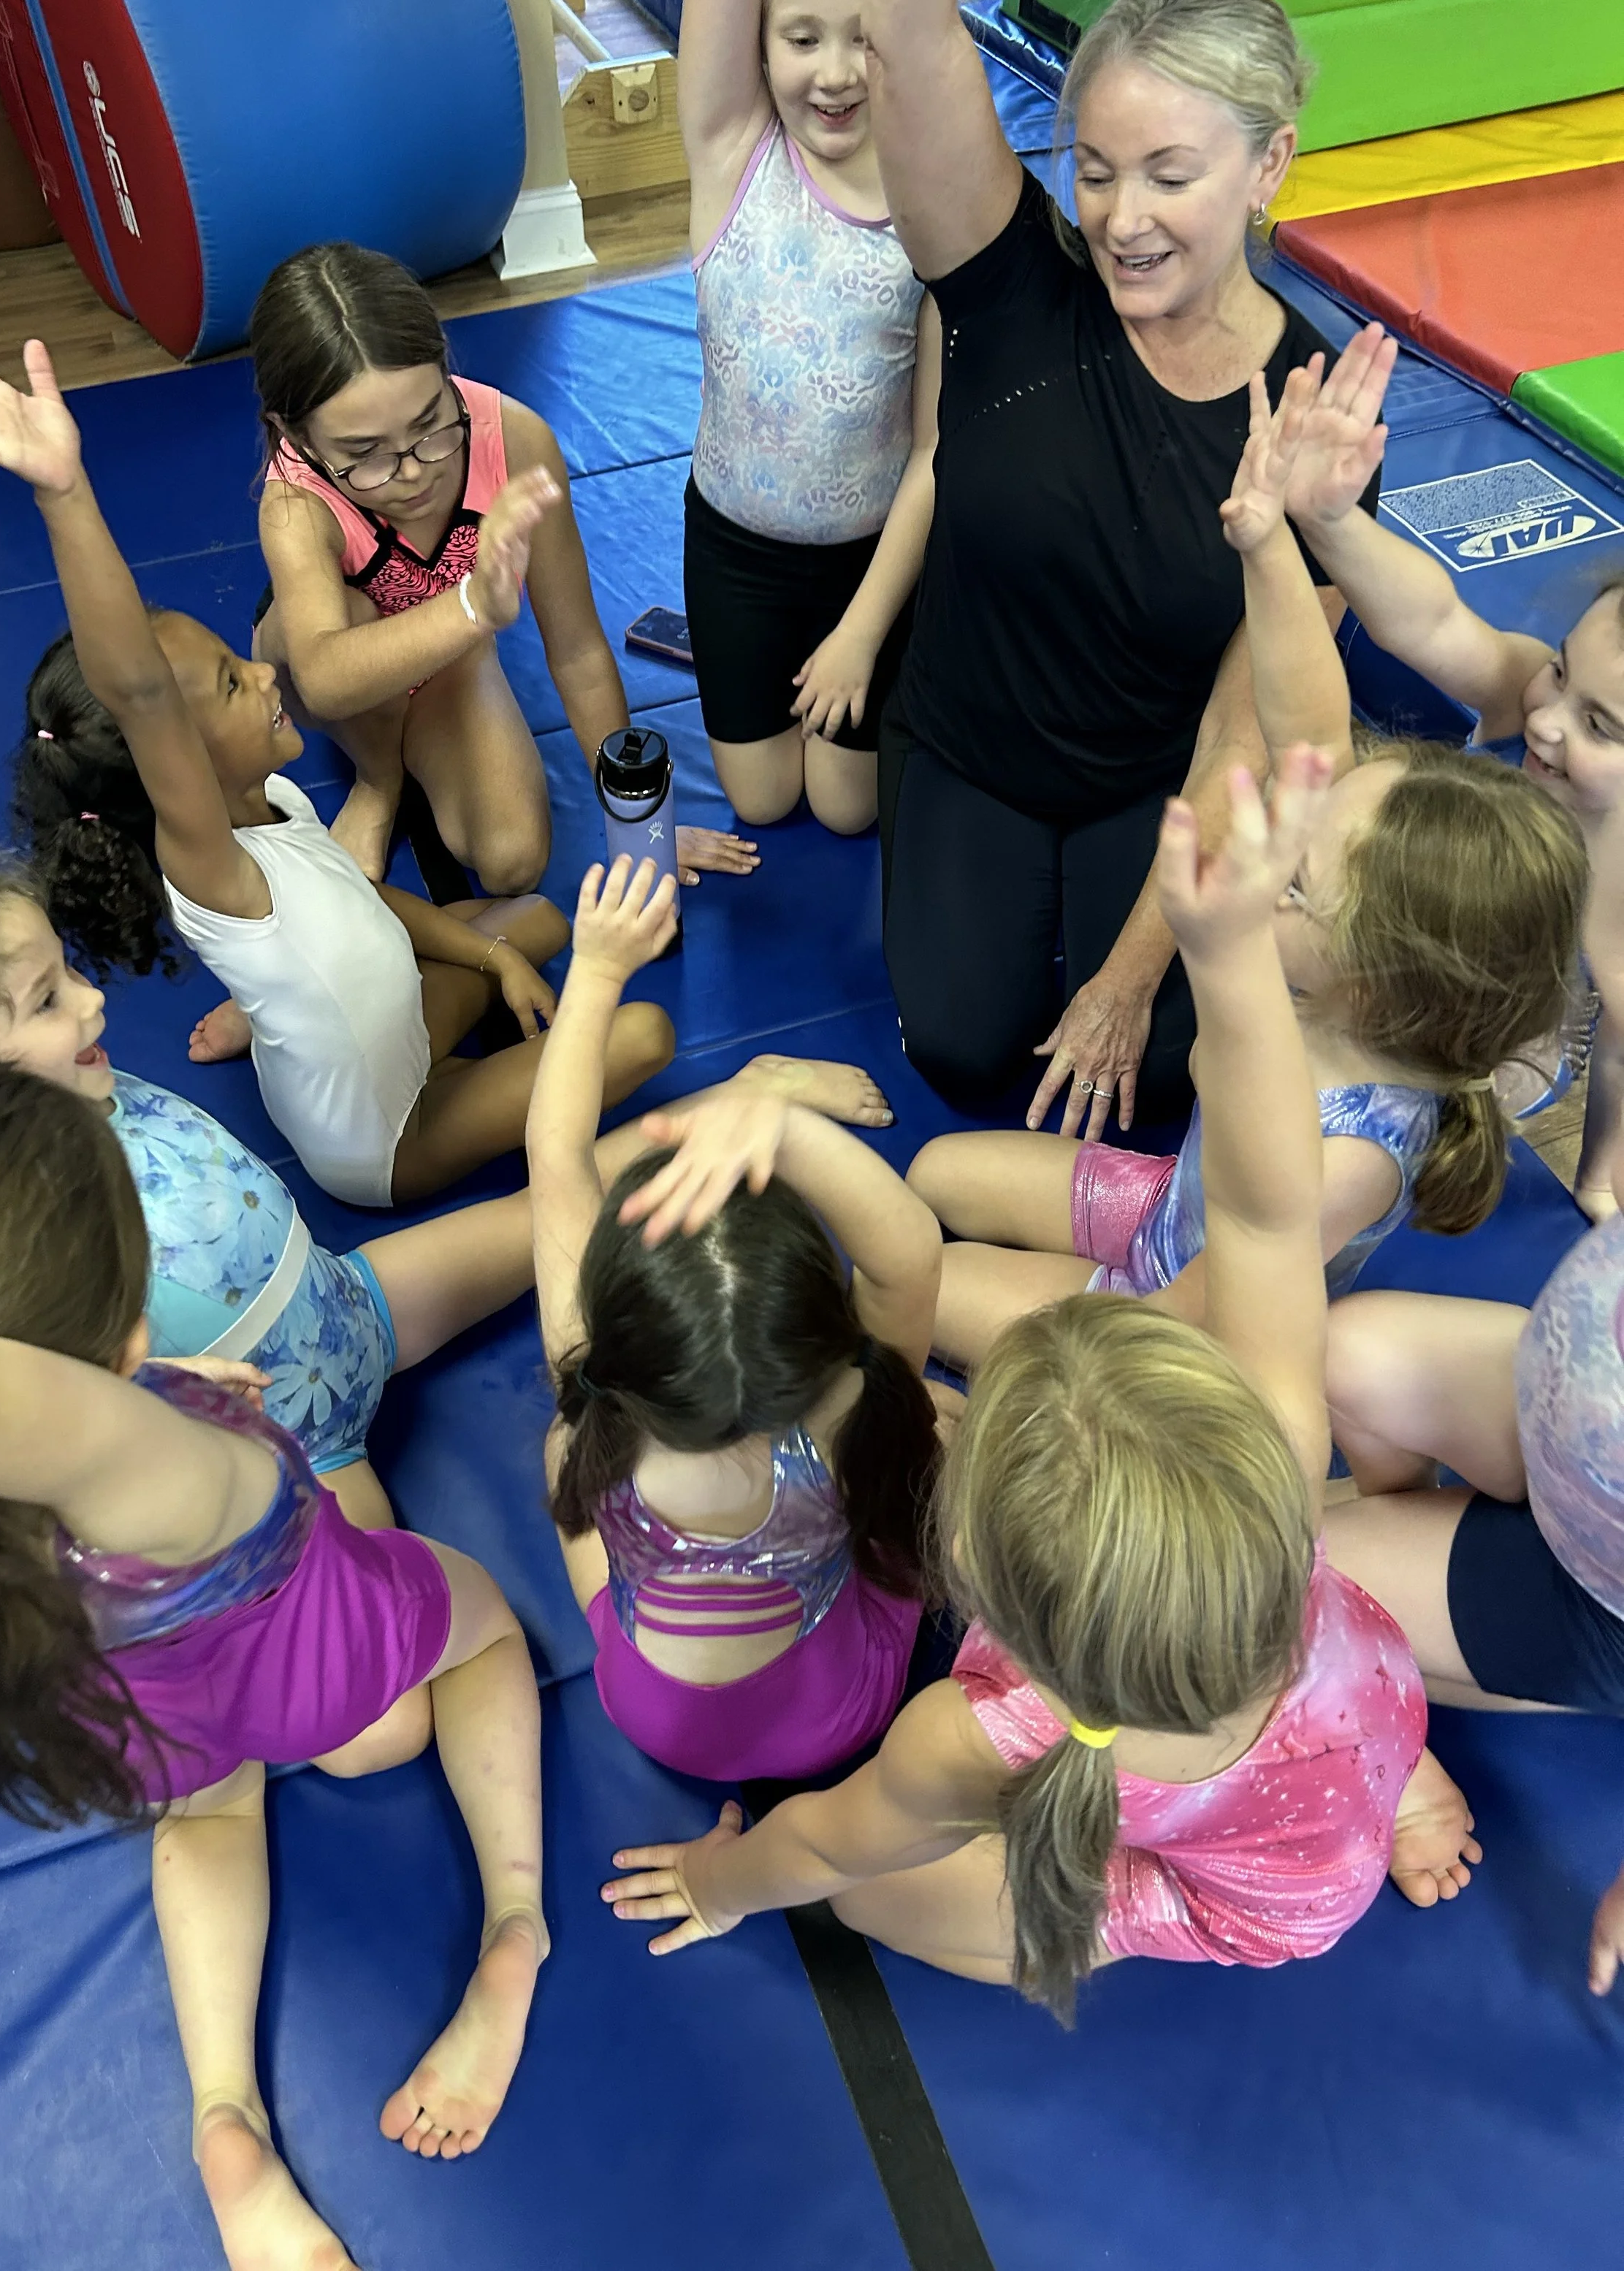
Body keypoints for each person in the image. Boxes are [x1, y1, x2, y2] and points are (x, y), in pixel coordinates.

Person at [598, 749, 1480, 2016]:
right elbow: (1273, 1215)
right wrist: (1226, 963)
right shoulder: (1283, 1468)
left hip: (1250, 1889)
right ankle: (1408, 1775)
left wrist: (719, 1877)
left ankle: (1235, 1863)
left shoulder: (980, 1736)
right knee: (1329, 1739)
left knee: (865, 1900)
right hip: (1342, 1722)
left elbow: (831, 1848)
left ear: (982, 1587)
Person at [0, 1056, 547, 2271]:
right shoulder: (100, 1441)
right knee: (486, 1622)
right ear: (110, 1345)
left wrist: (147, 1381)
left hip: (126, 1696)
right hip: (308, 1646)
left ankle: (225, 2117)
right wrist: (147, 1392)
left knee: (204, 1817)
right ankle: (515, 1928)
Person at [859, 0, 1382, 1130]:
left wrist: (1130, 973)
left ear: (1268, 168)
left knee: (1143, 1075)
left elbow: (1244, 727)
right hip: (968, 741)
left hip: (1152, 775)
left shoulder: (1311, 411)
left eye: (1168, 175)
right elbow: (906, 37)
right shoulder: (1010, 280)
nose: (1121, 216)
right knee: (964, 1048)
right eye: (1093, 169)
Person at [0, 334, 675, 1207]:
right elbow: (141, 690)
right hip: (388, 1134)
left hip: (385, 1010)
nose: (268, 674)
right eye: (236, 684)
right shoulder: (214, 866)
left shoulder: (264, 796)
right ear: (176, 762)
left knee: (535, 923)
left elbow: (356, 897)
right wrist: (64, 491)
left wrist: (492, 959)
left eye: (241, 662)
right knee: (642, 1035)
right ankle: (277, 1008)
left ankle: (271, 1009)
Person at [910, 365, 1587, 1364]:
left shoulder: (1354, 1152)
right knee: (929, 1174)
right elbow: (1306, 719)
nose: (1267, 867)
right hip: (1163, 1216)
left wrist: (1064, 1349)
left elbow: (1192, 1316)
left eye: (1297, 881)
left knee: (923, 1285)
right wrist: (1273, 542)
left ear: (1377, 973)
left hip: (1181, 1316)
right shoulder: (1357, 983)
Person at [0, 858, 537, 1530]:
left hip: (349, 1305)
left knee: (562, 1208)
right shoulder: (4, 1258)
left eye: (70, 971)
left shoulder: (88, 1082)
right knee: (382, 1623)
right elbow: (42, 1418)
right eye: (48, 1000)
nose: (93, 1001)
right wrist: (149, 1388)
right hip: (293, 1448)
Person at [527, 851, 942, 1783]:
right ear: (822, 1338)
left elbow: (554, 1155)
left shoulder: (589, 1369)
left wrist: (595, 969)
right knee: (924, 1435)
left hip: (652, 1715)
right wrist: (782, 1121)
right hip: (834, 1721)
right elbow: (910, 1252)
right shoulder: (849, 1408)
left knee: (566, 1444)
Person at [1319, 799, 1624, 1998]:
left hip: (1604, 1579)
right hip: (1569, 1414)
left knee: (1277, 1582)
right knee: (1353, 1354)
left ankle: (1392, 1676)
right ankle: (1408, 1575)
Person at [250, 240, 758, 888]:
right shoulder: (294, 500)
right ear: (295, 435)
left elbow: (576, 648)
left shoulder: (514, 440)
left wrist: (638, 821)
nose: (411, 473)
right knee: (347, 620)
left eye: (430, 423)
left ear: (445, 371)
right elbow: (321, 678)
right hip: (334, 665)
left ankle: (418, 734)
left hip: (451, 652)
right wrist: (471, 607)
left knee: (512, 860)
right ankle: (378, 780)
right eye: (366, 453)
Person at [1281, 319, 1624, 1213]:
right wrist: (1330, 522)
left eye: (1601, 725)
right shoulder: (1523, 699)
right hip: (1396, 965)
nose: (1545, 720)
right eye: (1560, 668)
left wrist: (1595, 1177)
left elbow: (1619, 1048)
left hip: (1493, 1049)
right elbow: (1432, 621)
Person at [677, 0, 939, 833]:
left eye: (863, 39)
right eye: (801, 38)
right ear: (755, 38)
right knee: (761, 797)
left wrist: (864, 631)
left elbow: (934, 449)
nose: (835, 75)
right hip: (735, 550)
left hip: (868, 563)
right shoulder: (730, 149)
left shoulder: (926, 209)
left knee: (844, 810)